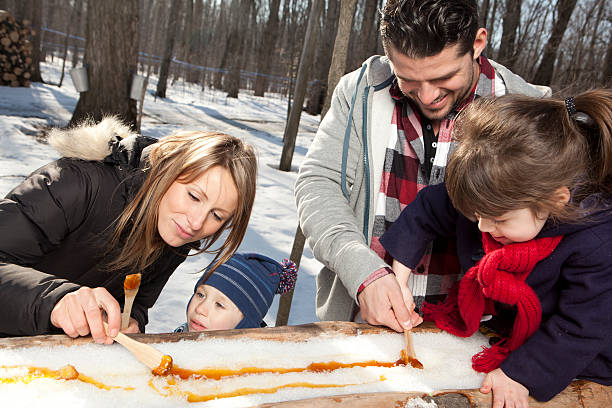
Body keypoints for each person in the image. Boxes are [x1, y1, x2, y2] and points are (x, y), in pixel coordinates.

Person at [294, 0, 551, 333]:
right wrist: (361, 270)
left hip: (480, 339)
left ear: (477, 43)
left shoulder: (530, 111)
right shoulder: (359, 92)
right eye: (409, 80)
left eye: (444, 77)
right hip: (362, 327)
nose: (428, 96)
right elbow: (317, 185)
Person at [380, 90, 612, 406]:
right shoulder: (489, 193)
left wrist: (521, 374)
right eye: (475, 215)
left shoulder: (598, 241)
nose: (482, 228)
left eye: (499, 220)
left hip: (583, 363)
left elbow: (580, 328)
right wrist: (400, 277)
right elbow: (431, 208)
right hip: (510, 337)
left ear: (555, 201)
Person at [0, 117, 257, 344]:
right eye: (193, 196)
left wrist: (129, 320)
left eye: (217, 215)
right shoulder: (78, 183)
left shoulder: (177, 232)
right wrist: (54, 301)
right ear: (168, 171)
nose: (197, 222)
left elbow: (139, 300)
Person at [175, 253, 297, 332]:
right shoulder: (176, 340)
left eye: (219, 304)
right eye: (200, 295)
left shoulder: (247, 368)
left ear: (246, 324)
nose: (200, 309)